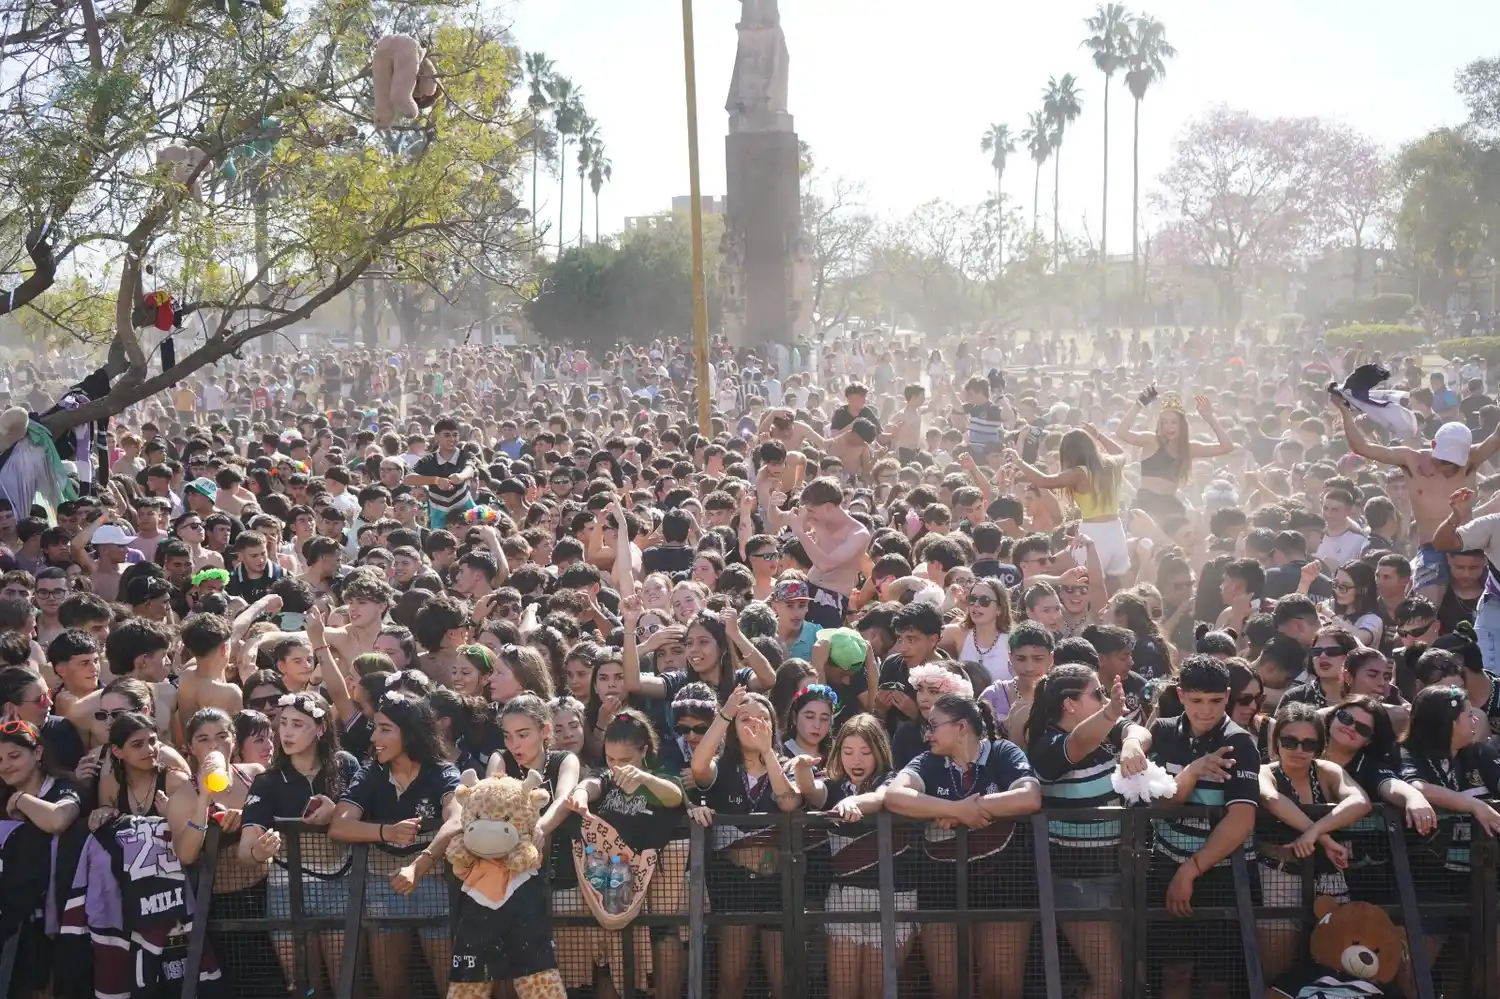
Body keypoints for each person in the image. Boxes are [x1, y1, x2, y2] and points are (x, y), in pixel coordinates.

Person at [1135, 655, 1259, 999]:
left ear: (1228, 696)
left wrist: (1190, 871)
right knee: (1174, 972)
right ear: (1180, 694)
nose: (1206, 710)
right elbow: (1159, 806)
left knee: (1218, 981)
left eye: (1216, 701)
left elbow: (1241, 821)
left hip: (1225, 877)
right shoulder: (1162, 731)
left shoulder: (1240, 743)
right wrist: (1190, 773)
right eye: (1197, 700)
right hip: (1165, 865)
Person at [1026, 665, 1148, 999]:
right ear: (1069, 704)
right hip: (1076, 880)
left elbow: (1137, 730)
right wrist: (1110, 713)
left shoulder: (1107, 734)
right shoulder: (1048, 745)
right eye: (1097, 694)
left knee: (1133, 979)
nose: (1105, 699)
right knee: (1110, 983)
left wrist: (1132, 744)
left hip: (1122, 874)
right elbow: (1077, 741)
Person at [1115, 391, 1234, 520]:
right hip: (1145, 502)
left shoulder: (1189, 448)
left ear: (1181, 425)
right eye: (1164, 422)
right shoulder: (1151, 441)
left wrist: (1210, 418)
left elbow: (1226, 447)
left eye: (1173, 422)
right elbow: (1121, 432)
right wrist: (1139, 404)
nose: (1168, 427)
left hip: (1169, 505)